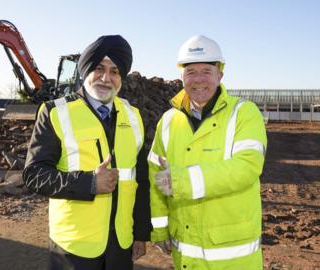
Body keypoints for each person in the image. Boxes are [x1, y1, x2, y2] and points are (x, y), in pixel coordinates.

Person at [23, 35, 151, 270]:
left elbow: (141, 178)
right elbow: (34, 175)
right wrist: (89, 183)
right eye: (99, 68)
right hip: (74, 246)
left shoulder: (133, 116)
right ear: (85, 71)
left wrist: (141, 233)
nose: (106, 78)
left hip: (120, 243)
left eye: (114, 71)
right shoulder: (54, 112)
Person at [148, 35, 267, 269]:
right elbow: (156, 175)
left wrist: (182, 181)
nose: (198, 80)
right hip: (185, 253)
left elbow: (246, 167)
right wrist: (160, 228)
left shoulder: (244, 113)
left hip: (232, 255)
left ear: (220, 75)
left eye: (206, 71)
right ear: (181, 76)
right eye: (191, 72)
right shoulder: (169, 121)